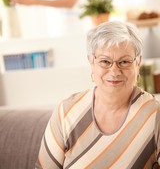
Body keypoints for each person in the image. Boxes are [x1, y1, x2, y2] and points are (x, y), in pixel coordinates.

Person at [35, 20, 160, 169]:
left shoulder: (155, 114)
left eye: (125, 62)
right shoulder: (65, 111)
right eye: (105, 61)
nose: (114, 71)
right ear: (91, 62)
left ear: (138, 63)